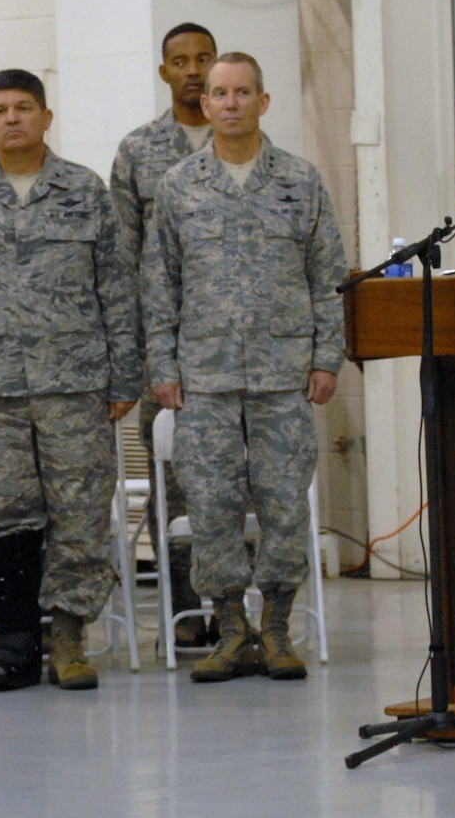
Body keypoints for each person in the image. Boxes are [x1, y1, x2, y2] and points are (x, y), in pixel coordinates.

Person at [0, 69, 139, 691]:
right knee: (4, 515)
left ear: (46, 117)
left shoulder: (85, 191)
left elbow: (115, 291)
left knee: (79, 512)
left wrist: (124, 375)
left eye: (23, 108)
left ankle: (69, 639)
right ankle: (15, 641)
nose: (11, 118)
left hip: (75, 384)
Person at [142, 53, 344, 683]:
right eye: (219, 93)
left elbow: (327, 278)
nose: (229, 103)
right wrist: (164, 364)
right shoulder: (179, 185)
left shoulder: (301, 181)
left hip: (285, 374)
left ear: (264, 101)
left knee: (285, 504)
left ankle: (278, 629)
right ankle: (231, 628)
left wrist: (327, 356)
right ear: (205, 106)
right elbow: (159, 282)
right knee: (212, 504)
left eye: (242, 92)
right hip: (204, 377)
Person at [111, 22, 217, 648]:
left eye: (203, 58)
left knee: (232, 486)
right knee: (170, 482)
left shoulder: (243, 141)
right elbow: (123, 256)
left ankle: (234, 607)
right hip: (163, 343)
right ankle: (185, 614)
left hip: (231, 342)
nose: (194, 71)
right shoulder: (139, 151)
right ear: (164, 73)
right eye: (180, 61)